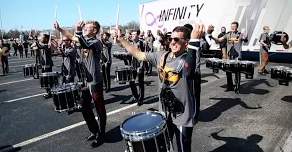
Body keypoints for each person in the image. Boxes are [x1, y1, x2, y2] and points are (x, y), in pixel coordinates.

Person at [115, 23, 204, 152]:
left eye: (177, 39)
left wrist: (195, 41)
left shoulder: (190, 59)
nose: (172, 42)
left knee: (183, 149)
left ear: (186, 42)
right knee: (164, 147)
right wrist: (122, 40)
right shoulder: (161, 56)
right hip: (164, 112)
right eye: (171, 39)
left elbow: (188, 71)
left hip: (182, 114)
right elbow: (139, 54)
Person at [54, 20, 106, 148]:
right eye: (85, 27)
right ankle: (94, 131)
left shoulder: (96, 43)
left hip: (94, 81)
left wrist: (77, 32)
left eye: (89, 27)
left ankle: (102, 134)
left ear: (95, 31)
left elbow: (82, 41)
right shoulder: (82, 43)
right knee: (84, 107)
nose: (86, 28)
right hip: (84, 81)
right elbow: (76, 40)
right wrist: (60, 29)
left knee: (99, 109)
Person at [212, 22, 248, 94]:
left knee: (237, 72)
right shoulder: (228, 35)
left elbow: (245, 39)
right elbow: (219, 40)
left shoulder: (240, 34)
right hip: (229, 57)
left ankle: (237, 87)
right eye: (232, 26)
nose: (233, 28)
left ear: (237, 27)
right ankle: (230, 86)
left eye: (234, 26)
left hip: (237, 57)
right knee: (228, 71)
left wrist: (246, 36)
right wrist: (211, 37)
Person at [184, 23, 202, 121]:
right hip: (188, 73)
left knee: (195, 95)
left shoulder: (196, 43)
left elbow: (196, 59)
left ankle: (195, 114)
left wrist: (196, 71)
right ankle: (190, 112)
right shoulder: (186, 43)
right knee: (188, 94)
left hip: (195, 73)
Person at [128, 30, 145, 106]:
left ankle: (140, 99)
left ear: (138, 35)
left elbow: (144, 55)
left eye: (135, 34)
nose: (133, 36)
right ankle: (136, 96)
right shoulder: (130, 44)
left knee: (140, 83)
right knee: (131, 81)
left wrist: (141, 67)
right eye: (132, 34)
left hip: (139, 65)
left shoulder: (141, 43)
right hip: (132, 65)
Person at [36, 34, 54, 99]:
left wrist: (36, 38)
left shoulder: (47, 46)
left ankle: (50, 92)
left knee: (48, 80)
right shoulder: (43, 45)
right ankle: (48, 92)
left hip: (48, 65)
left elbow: (39, 46)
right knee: (45, 80)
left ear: (46, 39)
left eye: (43, 38)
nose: (41, 38)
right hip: (44, 65)